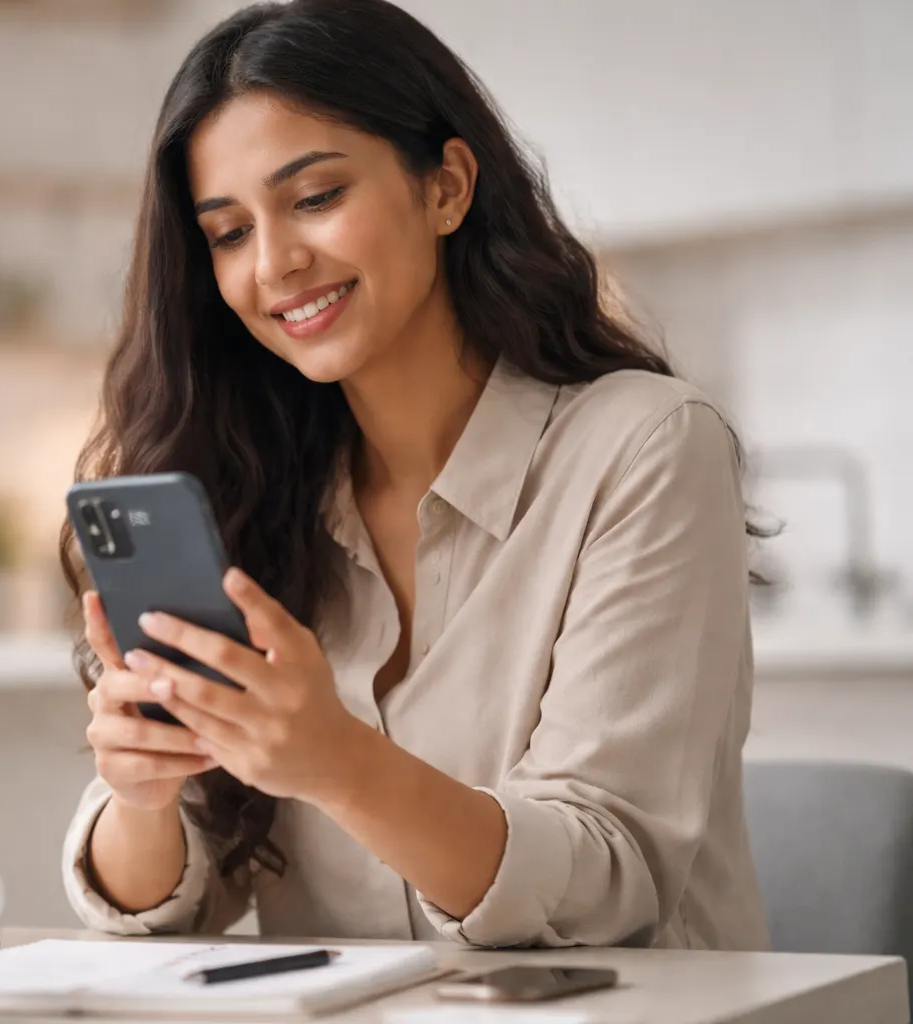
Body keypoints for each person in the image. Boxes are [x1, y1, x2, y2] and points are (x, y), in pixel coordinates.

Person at [60, 0, 771, 951]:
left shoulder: (645, 447)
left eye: (315, 198)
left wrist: (337, 761)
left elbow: (609, 875)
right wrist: (141, 795)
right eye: (228, 233)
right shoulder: (253, 493)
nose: (274, 263)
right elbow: (175, 906)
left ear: (446, 187)